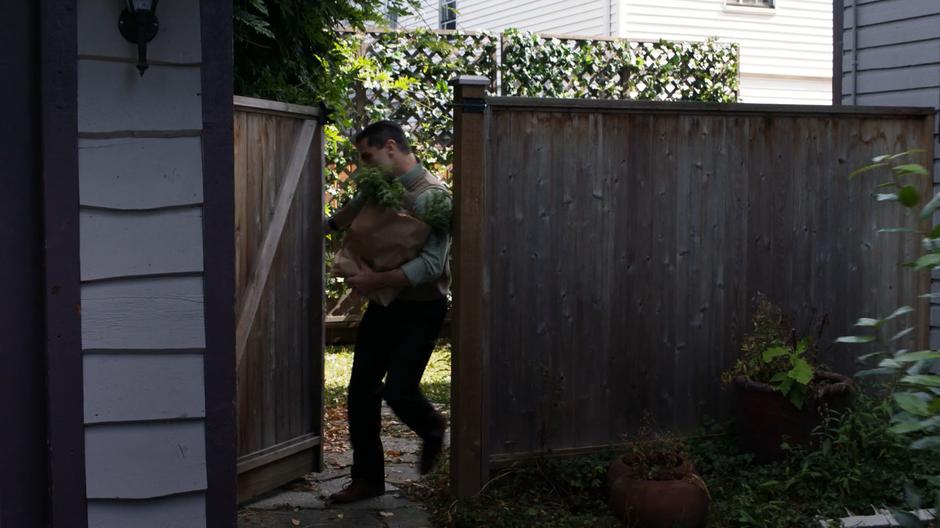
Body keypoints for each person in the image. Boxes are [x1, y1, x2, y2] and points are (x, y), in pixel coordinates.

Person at [324, 120, 451, 504]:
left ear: (391, 147)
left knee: (399, 389)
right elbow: (351, 211)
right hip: (385, 306)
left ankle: (432, 427)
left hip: (422, 307)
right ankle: (368, 479)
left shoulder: (434, 197)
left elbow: (432, 266)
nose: (363, 165)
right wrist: (325, 226)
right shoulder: (378, 189)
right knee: (360, 389)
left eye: (368, 156)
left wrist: (374, 280)